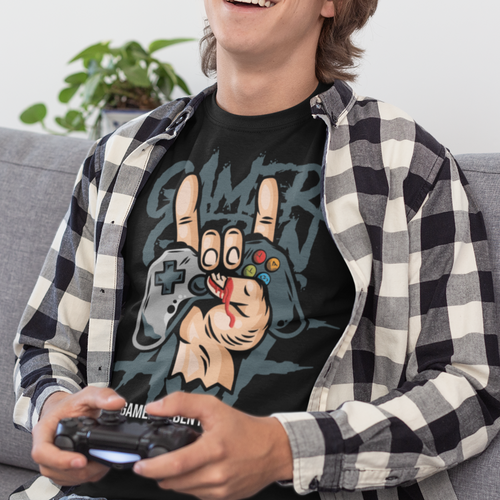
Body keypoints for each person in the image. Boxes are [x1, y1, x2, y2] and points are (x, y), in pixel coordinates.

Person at [11, 0, 500, 499]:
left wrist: (282, 448)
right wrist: (55, 408)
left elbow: (470, 387)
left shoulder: (403, 162)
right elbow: (44, 346)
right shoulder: (120, 155)